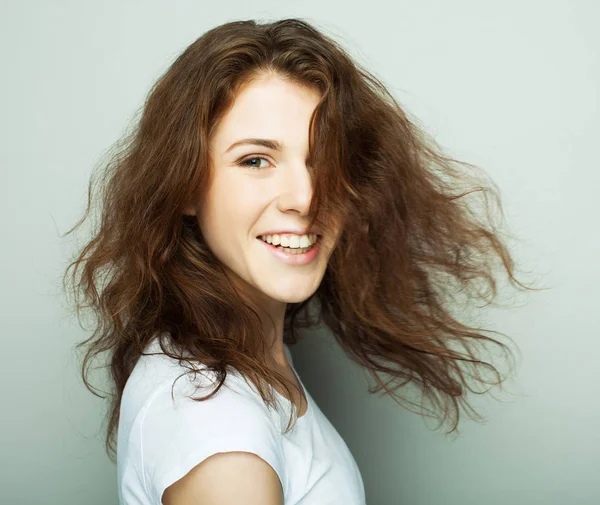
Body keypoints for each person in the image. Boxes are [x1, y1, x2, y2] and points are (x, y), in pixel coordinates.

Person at [62, 17, 539, 505]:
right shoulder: (222, 441)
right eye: (255, 160)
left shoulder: (236, 352)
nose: (307, 197)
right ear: (184, 184)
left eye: (321, 160)